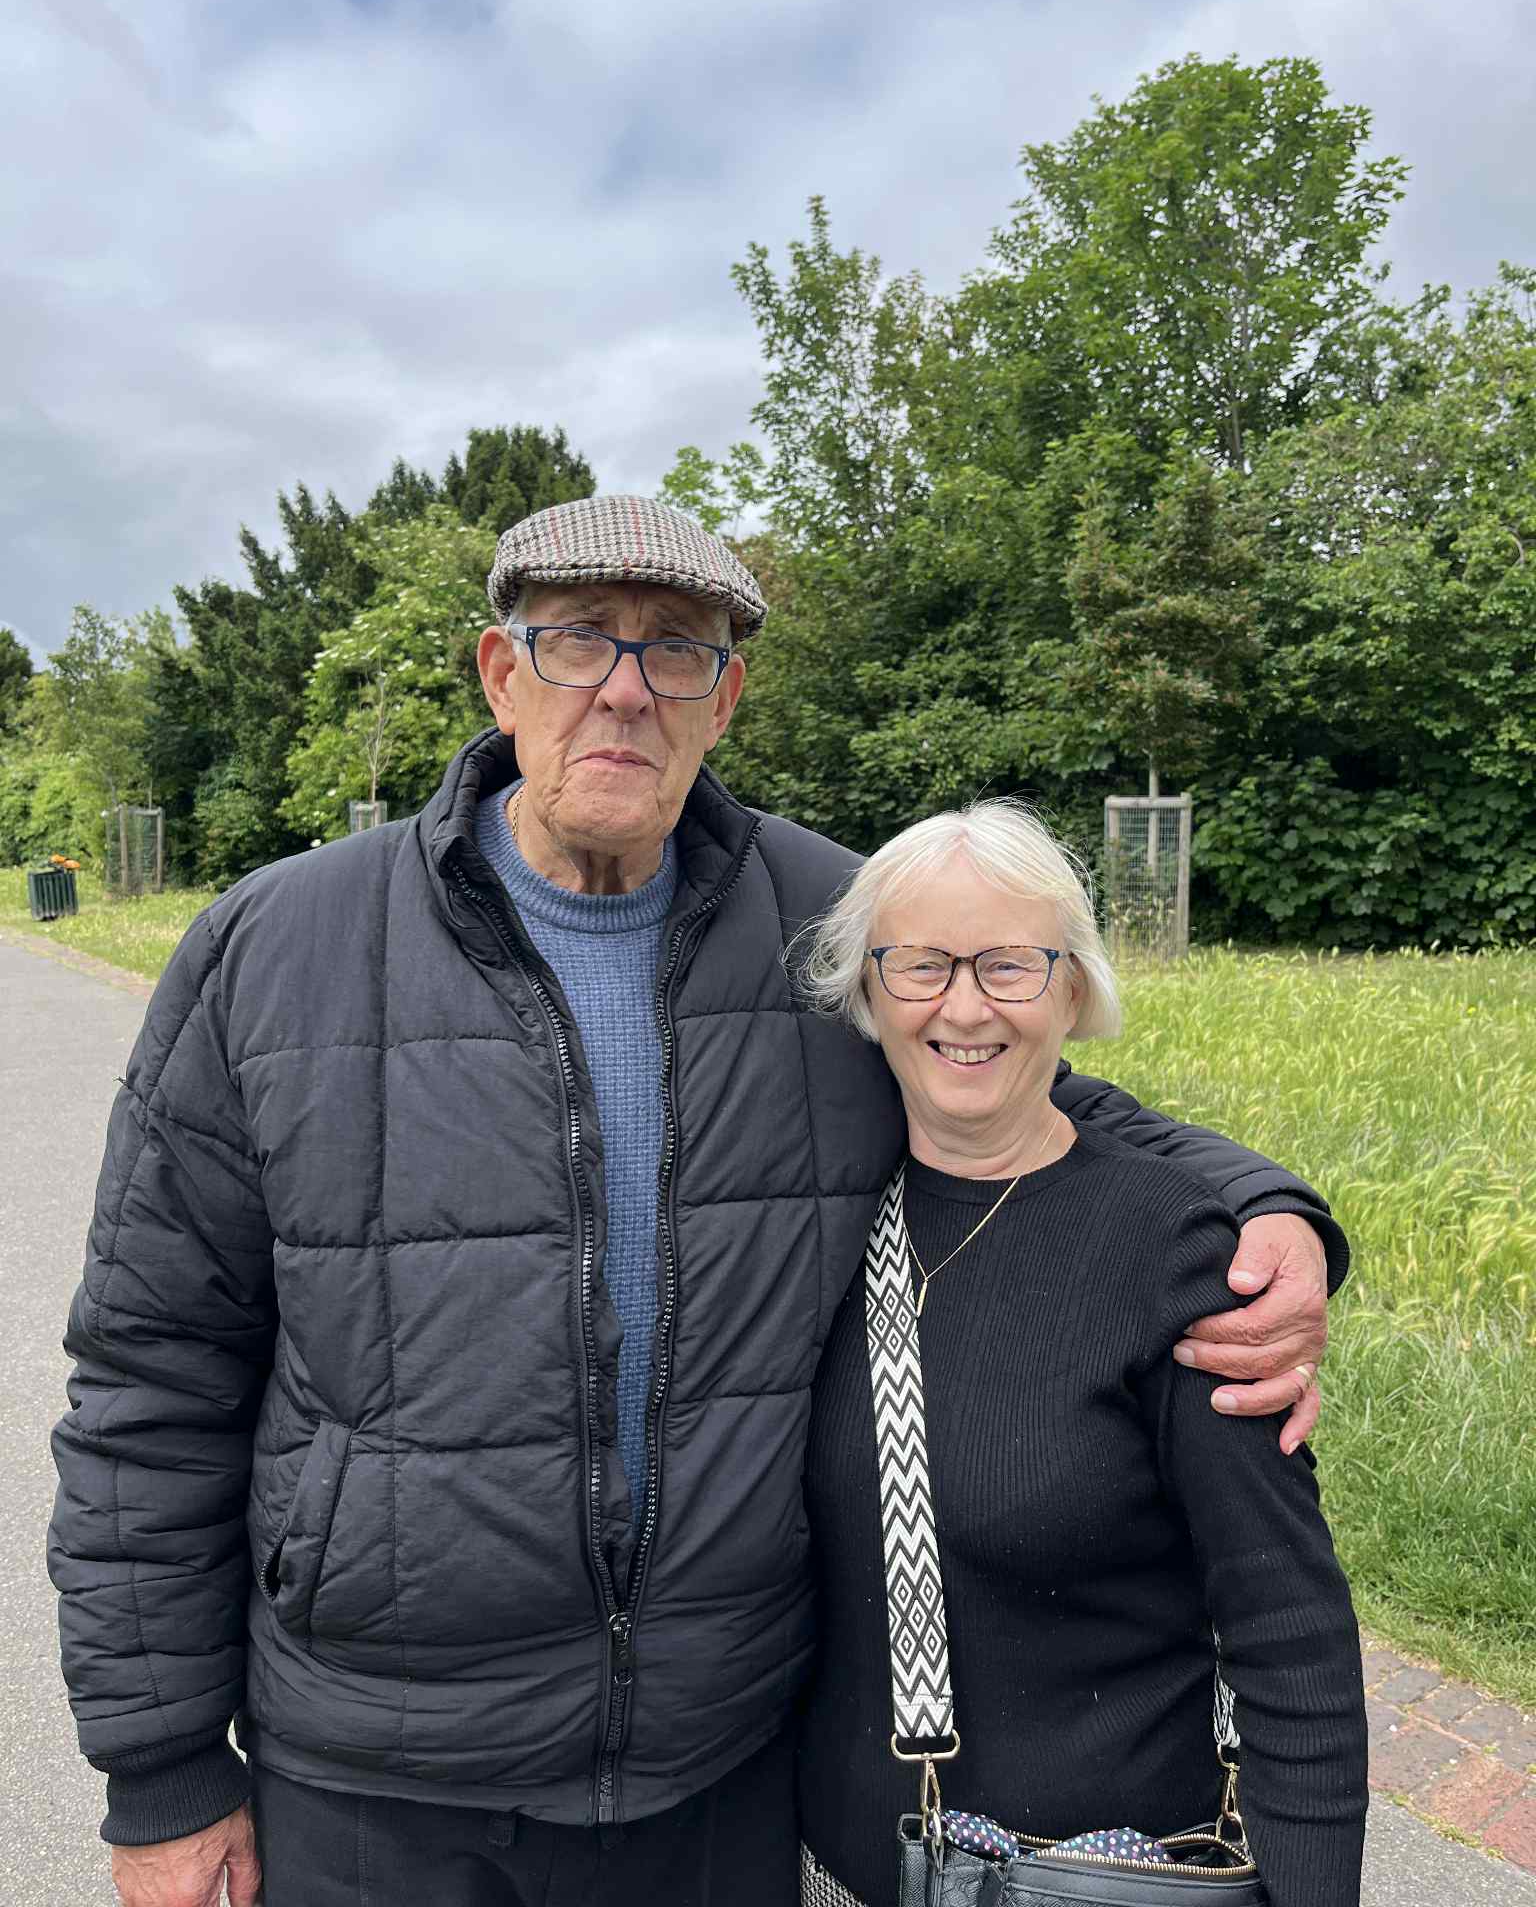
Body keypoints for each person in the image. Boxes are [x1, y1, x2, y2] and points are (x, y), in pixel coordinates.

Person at [49, 496, 1345, 1907]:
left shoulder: (824, 923)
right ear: (500, 673)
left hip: (716, 1773)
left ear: (722, 701)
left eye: (675, 651)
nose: (624, 688)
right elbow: (152, 1376)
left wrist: (1264, 1203)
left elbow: (1010, 1079)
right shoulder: (276, 948)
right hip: (377, 1779)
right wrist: (163, 1771)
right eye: (577, 641)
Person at [794, 800, 1368, 1907]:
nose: (965, 1005)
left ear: (1073, 989)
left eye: (1010, 964)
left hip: (1098, 1878)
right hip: (837, 1875)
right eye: (920, 964)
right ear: (867, 992)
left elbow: (1289, 1629)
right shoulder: (819, 1214)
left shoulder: (1173, 1252)